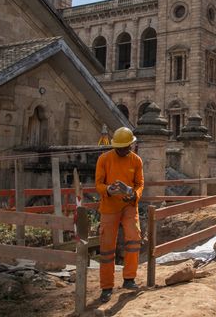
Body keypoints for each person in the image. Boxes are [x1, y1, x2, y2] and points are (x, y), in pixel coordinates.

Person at [95, 127, 144, 303]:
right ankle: (106, 287)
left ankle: (129, 279)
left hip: (129, 205)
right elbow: (98, 184)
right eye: (119, 148)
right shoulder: (104, 159)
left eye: (125, 148)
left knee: (134, 239)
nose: (122, 150)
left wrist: (135, 194)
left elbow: (140, 184)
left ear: (131, 145)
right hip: (109, 207)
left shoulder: (136, 160)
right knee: (107, 247)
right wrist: (108, 189)